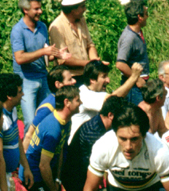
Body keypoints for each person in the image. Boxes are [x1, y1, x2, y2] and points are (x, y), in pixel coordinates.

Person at [12, 0, 69, 129]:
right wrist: (43, 51)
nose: (40, 11)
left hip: (43, 77)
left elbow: (45, 53)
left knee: (48, 115)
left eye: (40, 8)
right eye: (36, 9)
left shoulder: (42, 27)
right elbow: (19, 58)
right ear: (25, 10)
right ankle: (28, 148)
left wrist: (56, 54)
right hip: (27, 80)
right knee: (31, 121)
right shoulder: (18, 30)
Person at [69, 59, 142, 142]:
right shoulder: (83, 94)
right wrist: (133, 77)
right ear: (92, 79)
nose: (108, 80)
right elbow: (111, 101)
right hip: (81, 145)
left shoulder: (97, 92)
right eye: (104, 77)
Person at [49, 0, 102, 86]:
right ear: (73, 9)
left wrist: (95, 61)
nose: (85, 9)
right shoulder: (57, 27)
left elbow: (90, 44)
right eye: (82, 6)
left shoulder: (81, 20)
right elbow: (63, 59)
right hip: (69, 79)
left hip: (86, 74)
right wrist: (89, 64)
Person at [116, 0, 149, 105]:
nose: (147, 16)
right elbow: (120, 64)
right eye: (146, 14)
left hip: (141, 83)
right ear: (140, 17)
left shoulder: (137, 32)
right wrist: (137, 79)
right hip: (133, 87)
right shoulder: (129, 38)